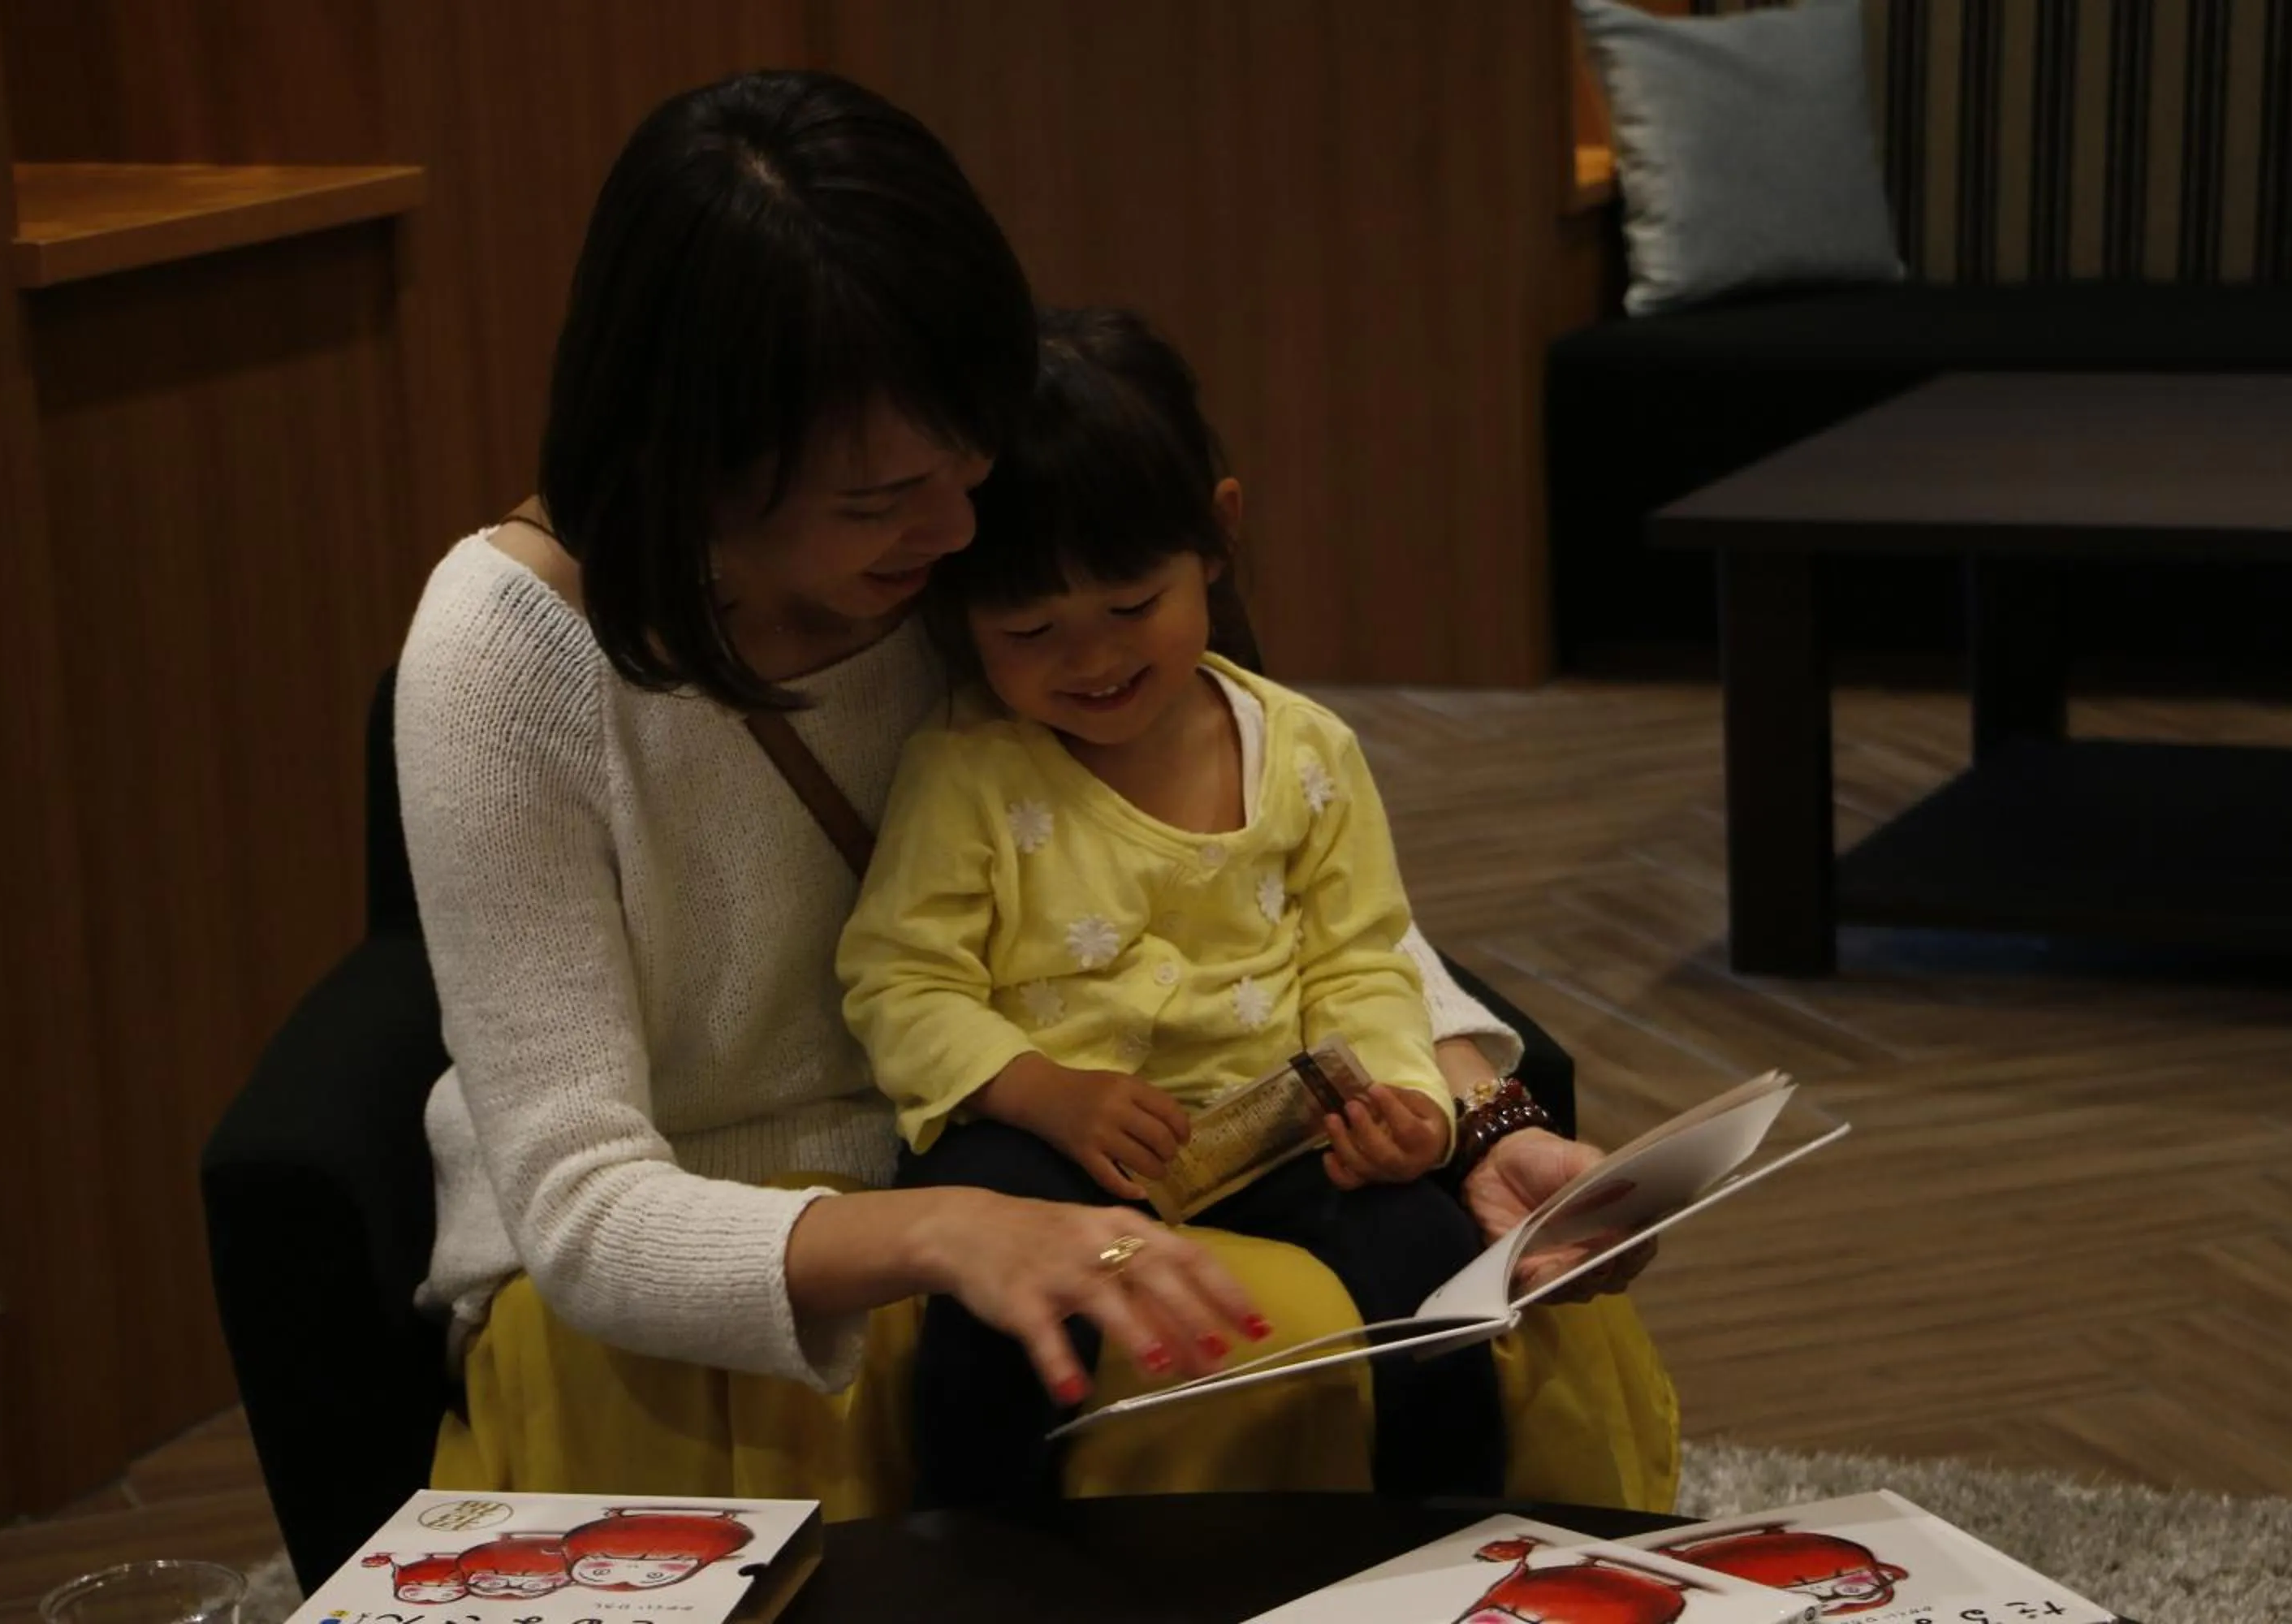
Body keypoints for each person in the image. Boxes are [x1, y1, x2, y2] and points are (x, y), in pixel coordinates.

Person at [404, 67, 1675, 1513]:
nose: (954, 532)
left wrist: (1472, 1118)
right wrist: (952, 1230)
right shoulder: (507, 656)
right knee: (1279, 1356)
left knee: (1499, 1334)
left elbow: (1257, 873)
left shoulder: (988, 564)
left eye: (967, 462)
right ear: (691, 462)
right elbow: (580, 1211)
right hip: (718, 1276)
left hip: (1098, 1168)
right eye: (880, 501)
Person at [840, 306, 1509, 1503]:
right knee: (1000, 1290)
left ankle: (1441, 1545)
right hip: (1050, 1133)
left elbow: (1361, 962)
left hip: (1272, 1123)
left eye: (1131, 605)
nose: (1090, 659)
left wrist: (1406, 1098)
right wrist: (1041, 1090)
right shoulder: (971, 771)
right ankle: (982, 1549)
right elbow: (900, 980)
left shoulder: (1305, 751)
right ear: (960, 617)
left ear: (1217, 540)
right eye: (1032, 629)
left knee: (1433, 1257)